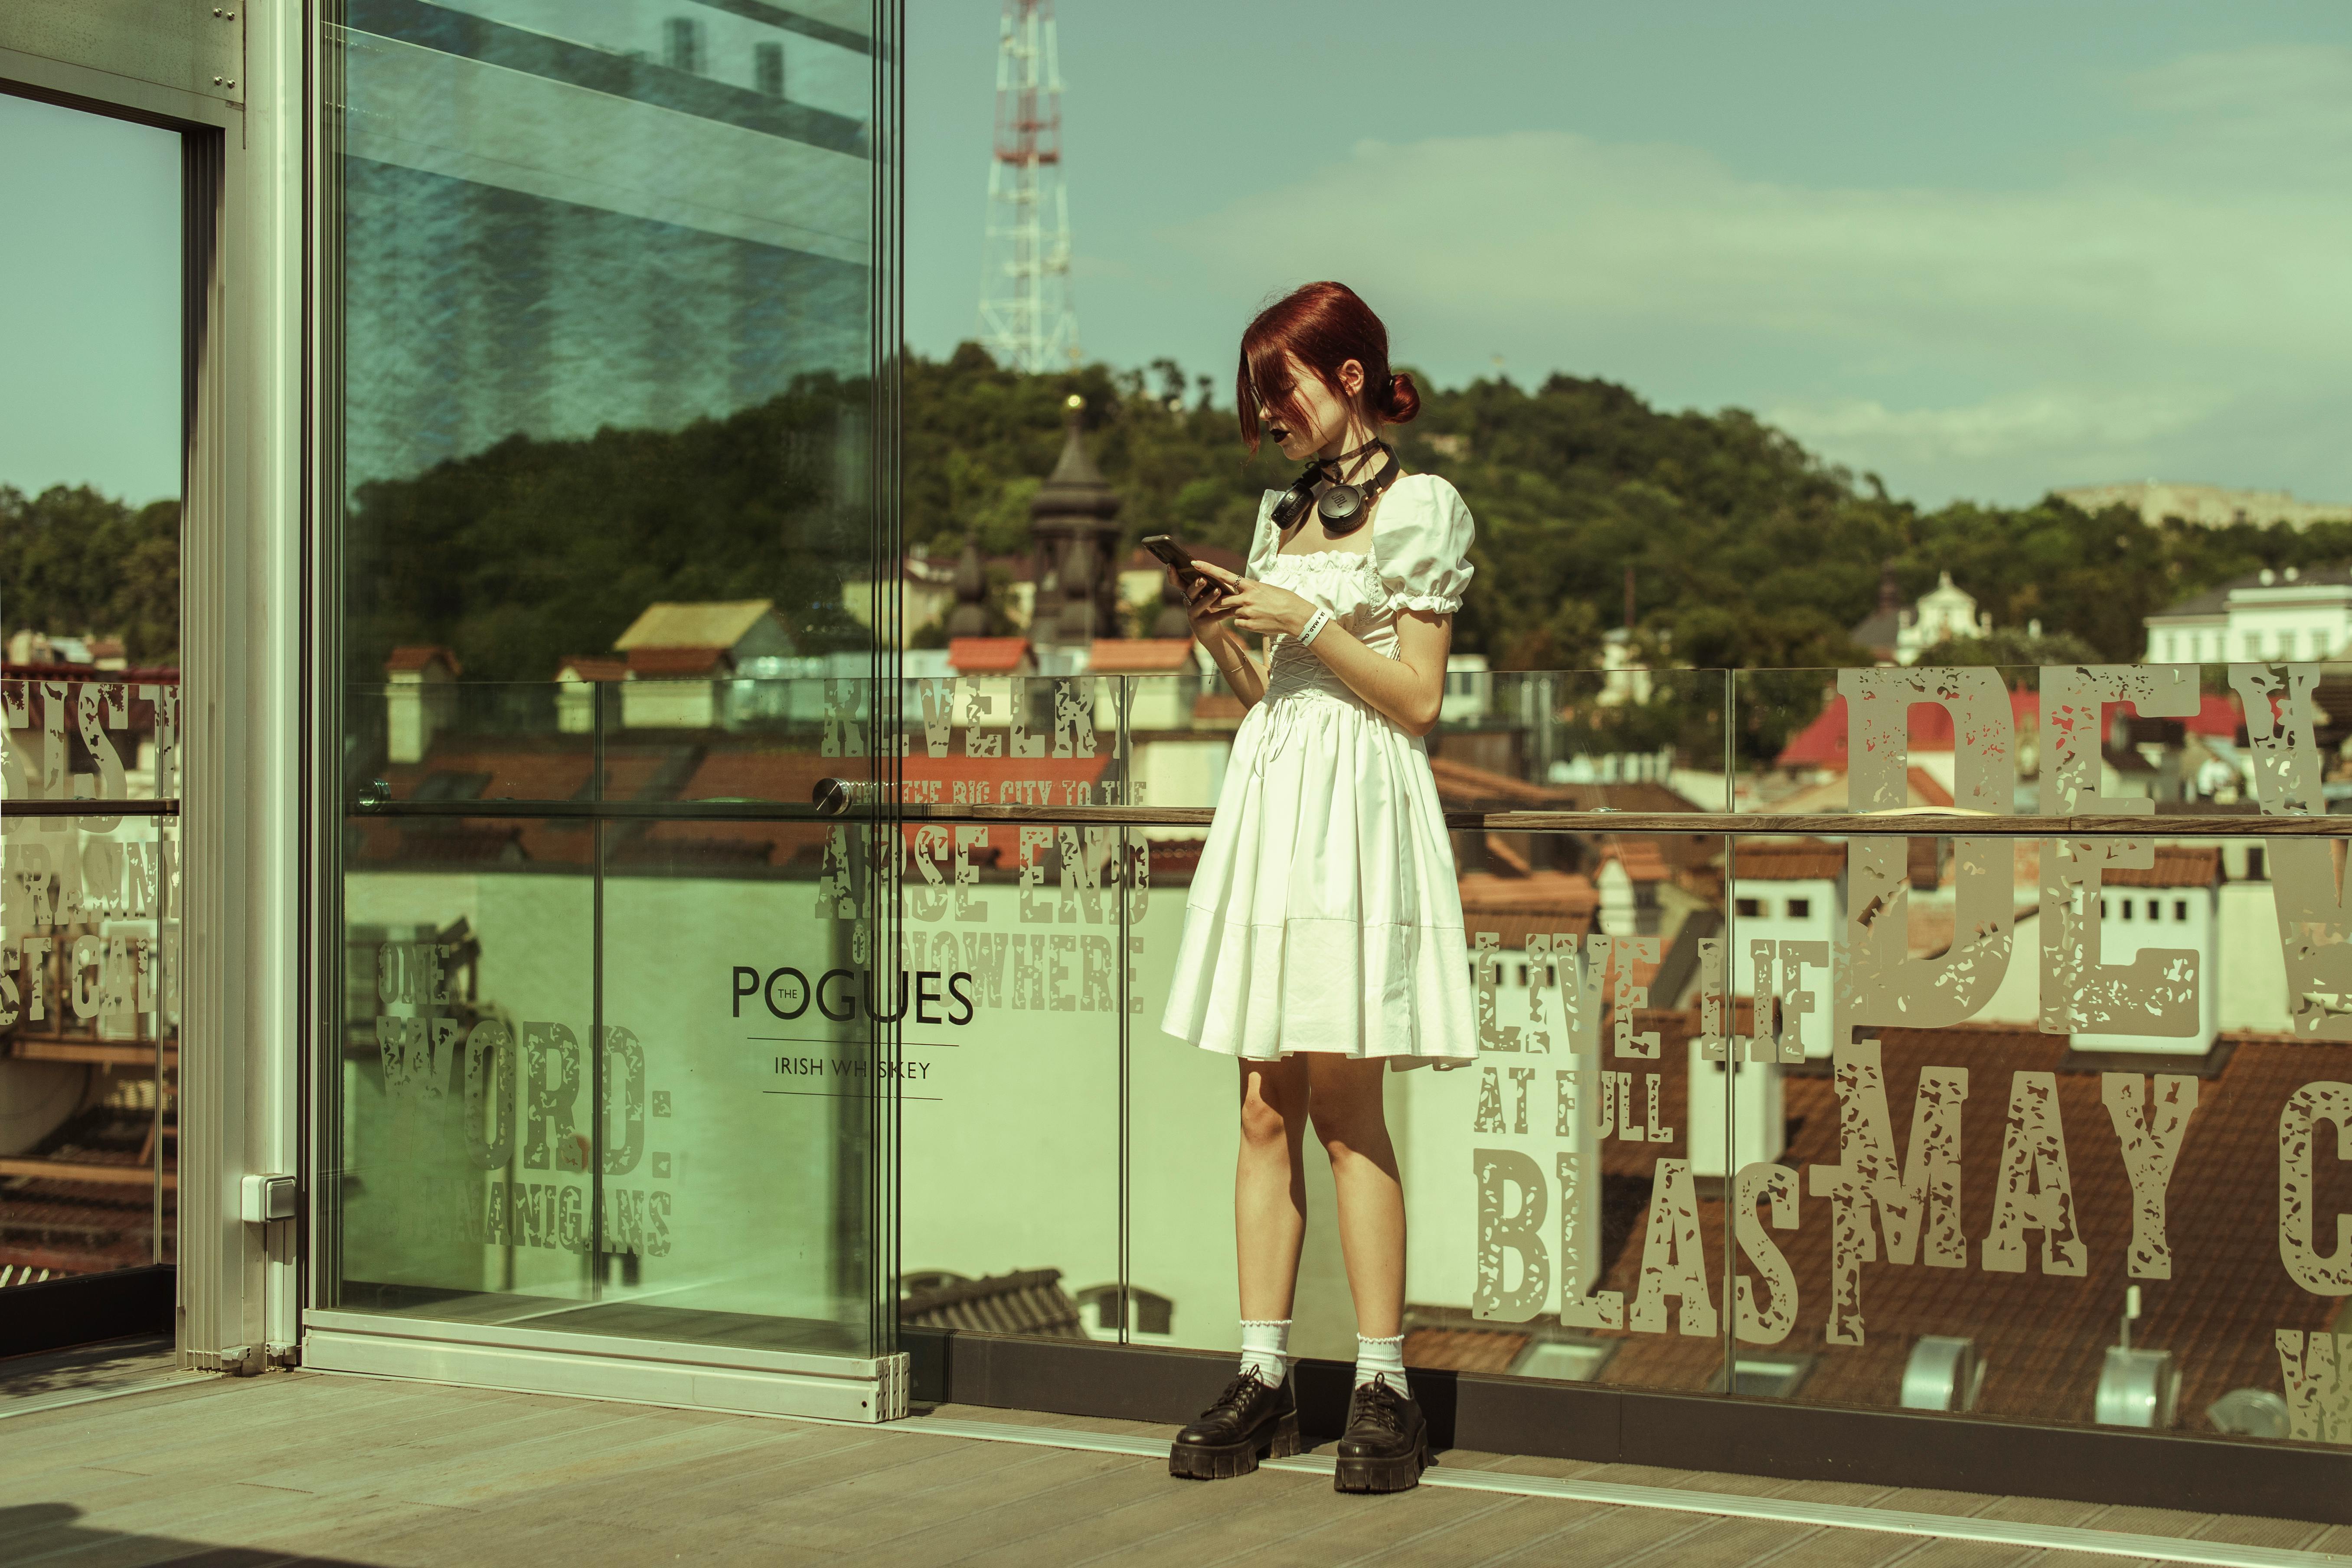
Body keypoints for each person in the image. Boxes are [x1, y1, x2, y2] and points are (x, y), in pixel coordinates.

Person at [1159, 281, 1476, 1494]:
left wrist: (1305, 615)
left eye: (1278, 387)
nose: (1266, 414)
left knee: (1347, 1104)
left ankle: (1385, 1383)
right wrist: (1228, 636)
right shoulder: (1274, 517)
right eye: (1256, 394)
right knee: (1258, 1103)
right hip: (1278, 795)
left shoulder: (1424, 509)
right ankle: (1264, 1374)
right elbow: (1274, 698)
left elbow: (1415, 700)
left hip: (1359, 808)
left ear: (1347, 377)